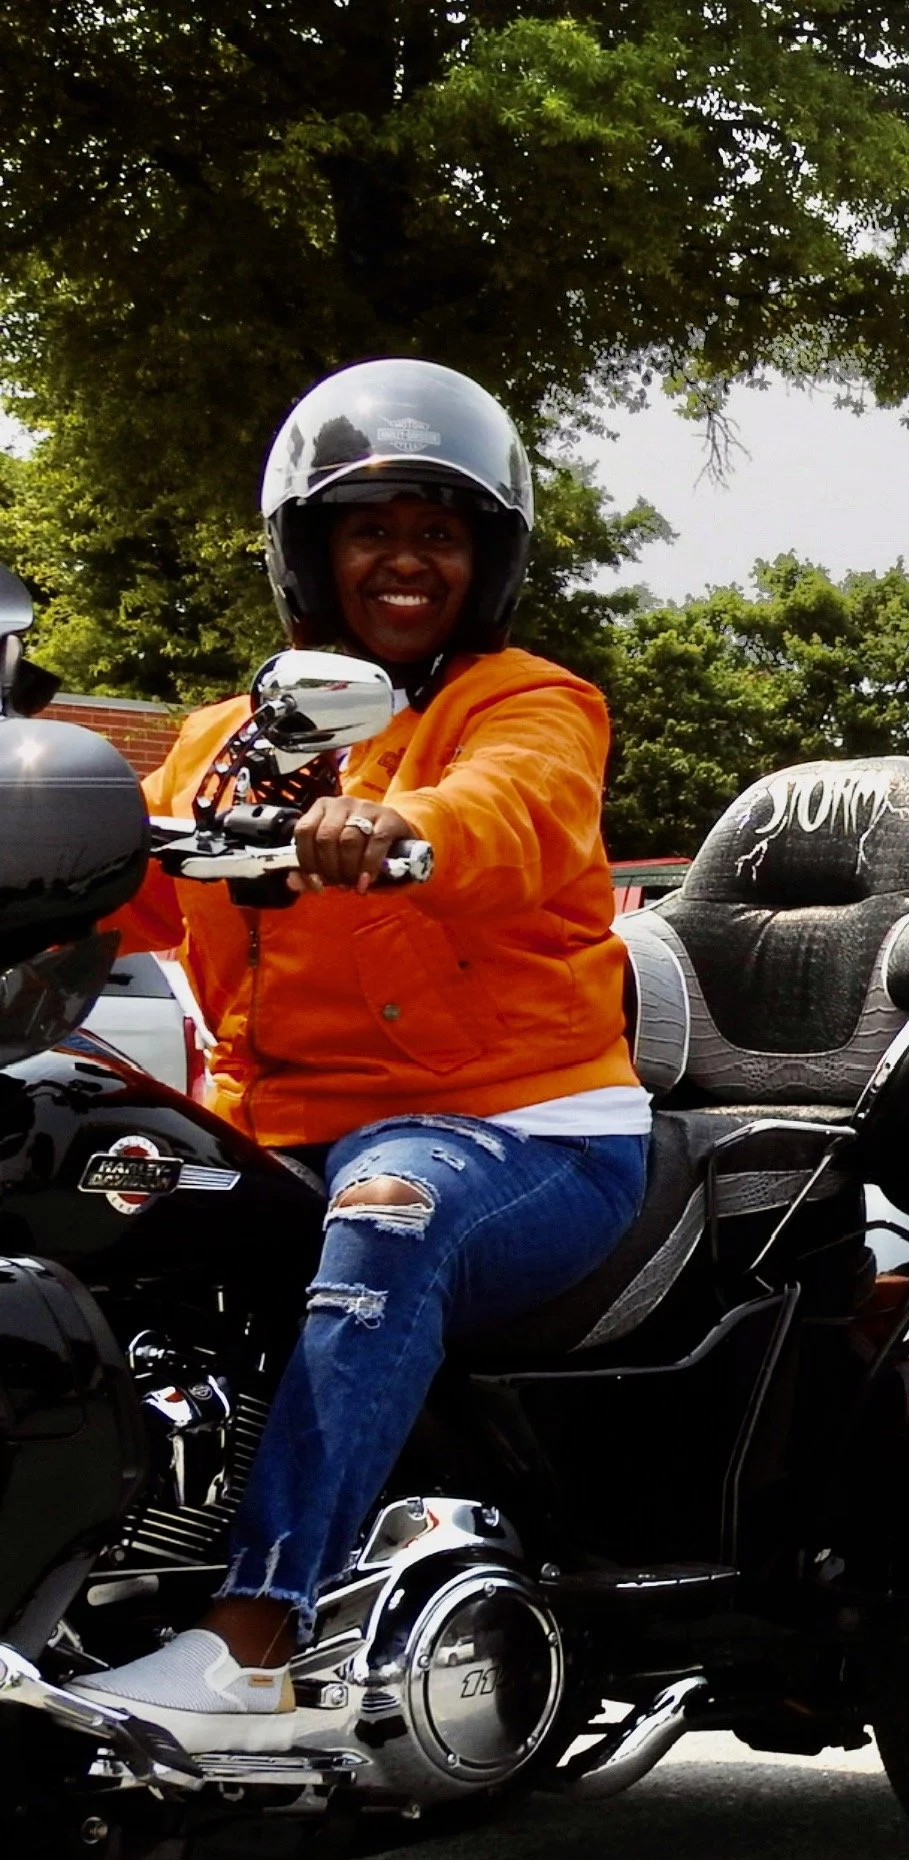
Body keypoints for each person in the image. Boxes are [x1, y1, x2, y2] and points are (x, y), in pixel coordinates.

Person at [72, 359, 651, 1752]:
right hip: (275, 1132)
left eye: (435, 531)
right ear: (311, 554)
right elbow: (118, 884)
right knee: (75, 1184)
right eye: (369, 528)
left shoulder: (529, 703)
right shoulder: (230, 741)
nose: (403, 557)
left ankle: (256, 1639)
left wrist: (398, 827)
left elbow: (509, 812)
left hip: (525, 1133)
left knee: (392, 1201)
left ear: (484, 559)